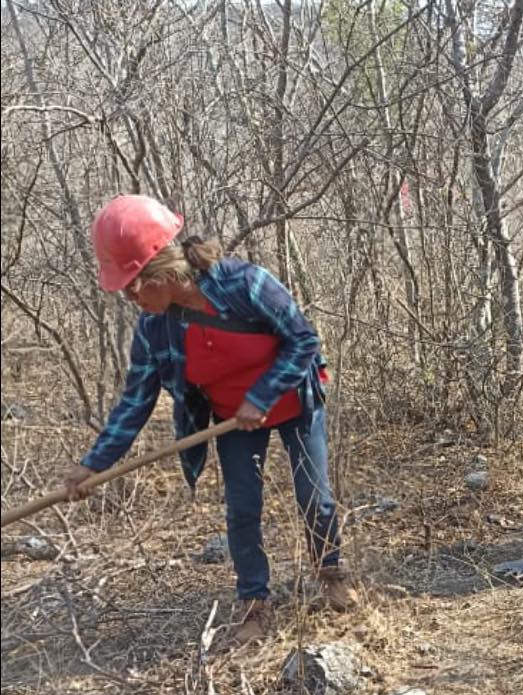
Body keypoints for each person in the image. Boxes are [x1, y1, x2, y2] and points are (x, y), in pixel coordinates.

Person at [65, 194, 359, 645]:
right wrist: (95, 464)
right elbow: (134, 402)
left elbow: (302, 340)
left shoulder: (245, 284)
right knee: (243, 509)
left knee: (313, 497)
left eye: (133, 286)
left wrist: (261, 396)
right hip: (231, 421)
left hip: (295, 401)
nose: (129, 298)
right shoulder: (154, 330)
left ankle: (331, 574)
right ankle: (254, 604)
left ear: (161, 273)